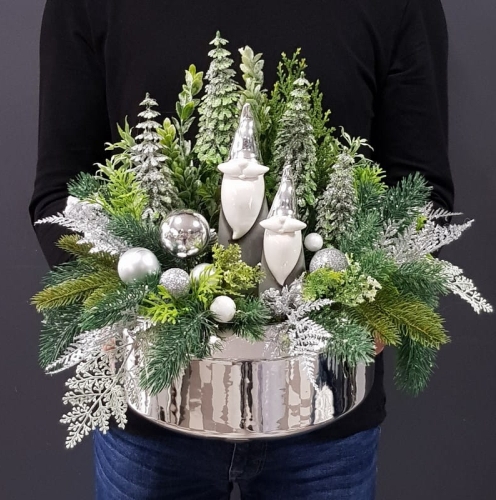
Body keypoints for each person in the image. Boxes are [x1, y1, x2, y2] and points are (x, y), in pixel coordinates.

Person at [29, 0, 455, 498]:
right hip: (151, 411)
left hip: (322, 410)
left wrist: (375, 305)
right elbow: (60, 191)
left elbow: (423, 193)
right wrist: (114, 306)